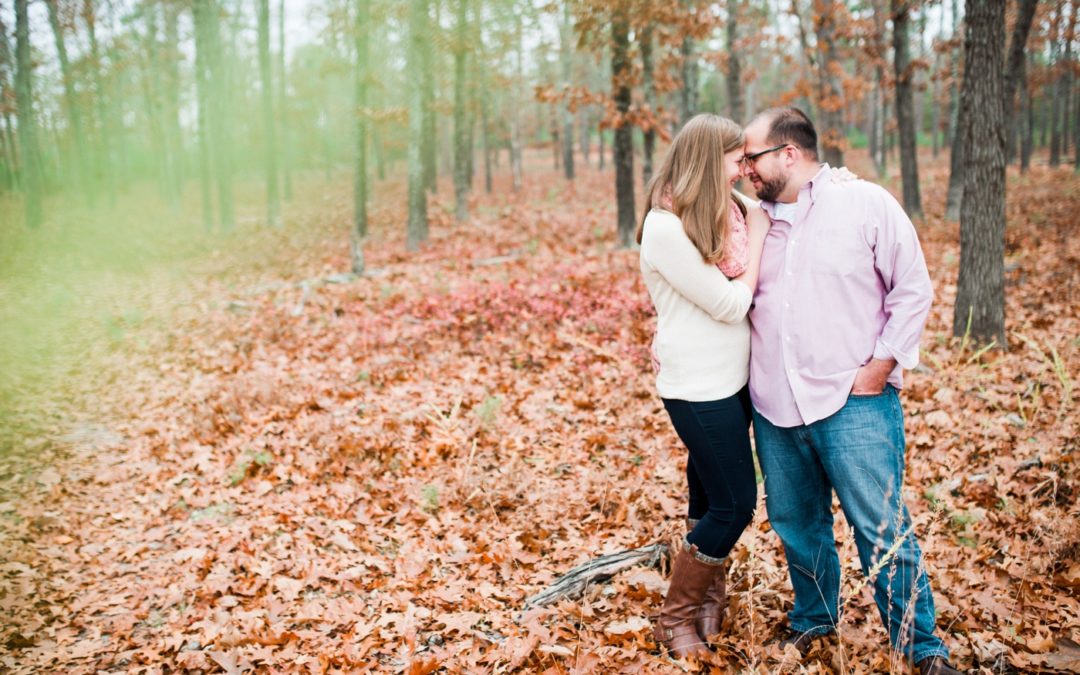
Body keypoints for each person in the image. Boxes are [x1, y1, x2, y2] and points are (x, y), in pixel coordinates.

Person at [742, 106, 962, 675]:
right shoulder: (750, 222)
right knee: (795, 522)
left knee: (881, 525)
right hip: (774, 405)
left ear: (789, 154)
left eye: (752, 157)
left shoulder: (865, 204)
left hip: (854, 401)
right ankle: (815, 620)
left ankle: (920, 646)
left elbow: (912, 288)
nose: (745, 170)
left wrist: (880, 365)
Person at [636, 113, 770, 659]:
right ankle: (675, 617)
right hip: (697, 388)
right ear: (706, 158)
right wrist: (759, 241)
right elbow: (730, 303)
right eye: (736, 157)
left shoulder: (726, 212)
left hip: (734, 381)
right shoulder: (666, 227)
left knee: (708, 494)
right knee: (736, 504)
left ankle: (708, 597)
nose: (744, 166)